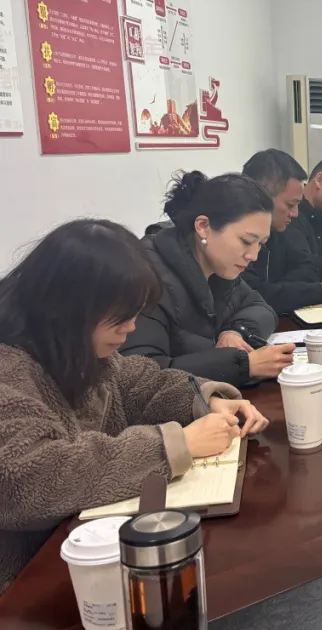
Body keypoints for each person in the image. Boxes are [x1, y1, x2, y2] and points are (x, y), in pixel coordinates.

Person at [0, 220, 269, 593]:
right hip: (27, 585)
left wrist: (206, 399)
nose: (130, 328)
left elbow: (138, 383)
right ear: (67, 306)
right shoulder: (10, 370)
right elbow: (30, 478)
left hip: (95, 549)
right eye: (121, 315)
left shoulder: (76, 349)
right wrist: (176, 445)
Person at [123, 171, 295, 385]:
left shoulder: (219, 269)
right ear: (203, 227)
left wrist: (235, 331)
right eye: (246, 241)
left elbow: (261, 308)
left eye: (260, 244)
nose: (253, 256)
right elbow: (142, 376)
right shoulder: (148, 278)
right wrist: (243, 366)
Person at [240, 149, 322, 313]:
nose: (295, 213)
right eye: (290, 205)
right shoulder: (234, 238)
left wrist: (281, 292)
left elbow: (307, 268)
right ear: (260, 198)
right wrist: (319, 292)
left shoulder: (278, 229)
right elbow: (252, 296)